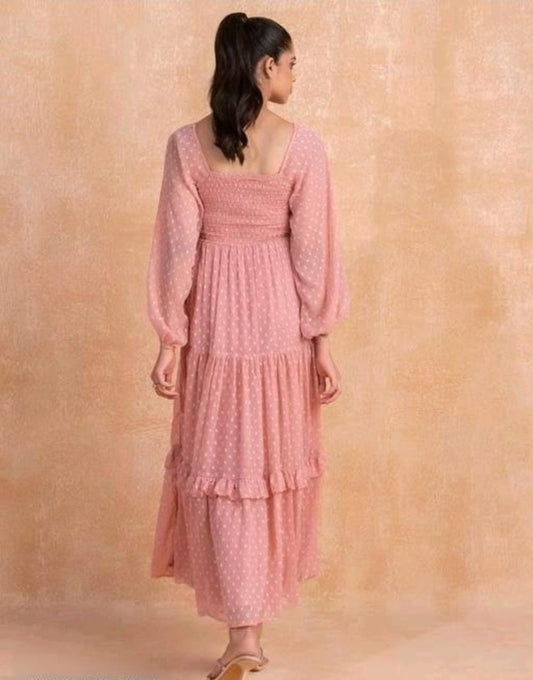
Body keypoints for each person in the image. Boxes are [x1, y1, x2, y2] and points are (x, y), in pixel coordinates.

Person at [146, 11, 350, 680]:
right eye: (289, 63)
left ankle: (241, 638)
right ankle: (249, 638)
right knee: (265, 468)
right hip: (277, 322)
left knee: (223, 469)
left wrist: (169, 340)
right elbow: (312, 253)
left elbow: (177, 250)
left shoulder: (187, 145)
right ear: (265, 67)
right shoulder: (302, 146)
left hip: (214, 321)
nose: (294, 75)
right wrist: (321, 341)